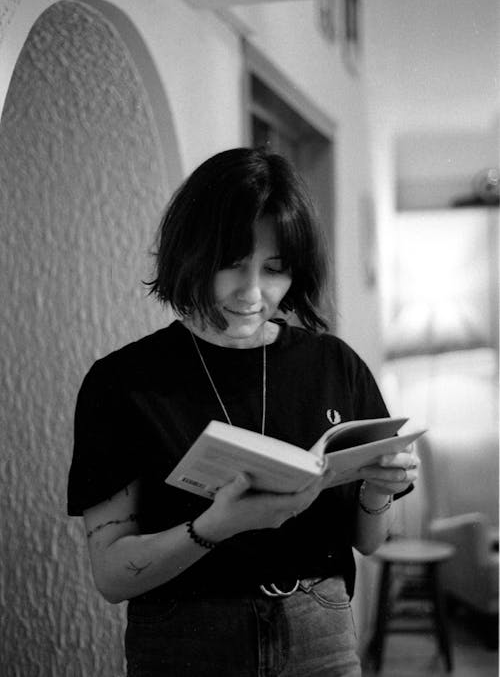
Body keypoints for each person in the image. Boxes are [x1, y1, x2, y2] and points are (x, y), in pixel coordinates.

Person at [67, 147, 419, 677]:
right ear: (190, 251)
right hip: (185, 634)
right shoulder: (123, 383)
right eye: (232, 262)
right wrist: (216, 526)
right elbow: (112, 577)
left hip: (318, 624)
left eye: (274, 270)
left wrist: (379, 489)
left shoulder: (333, 364)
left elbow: (370, 543)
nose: (253, 293)